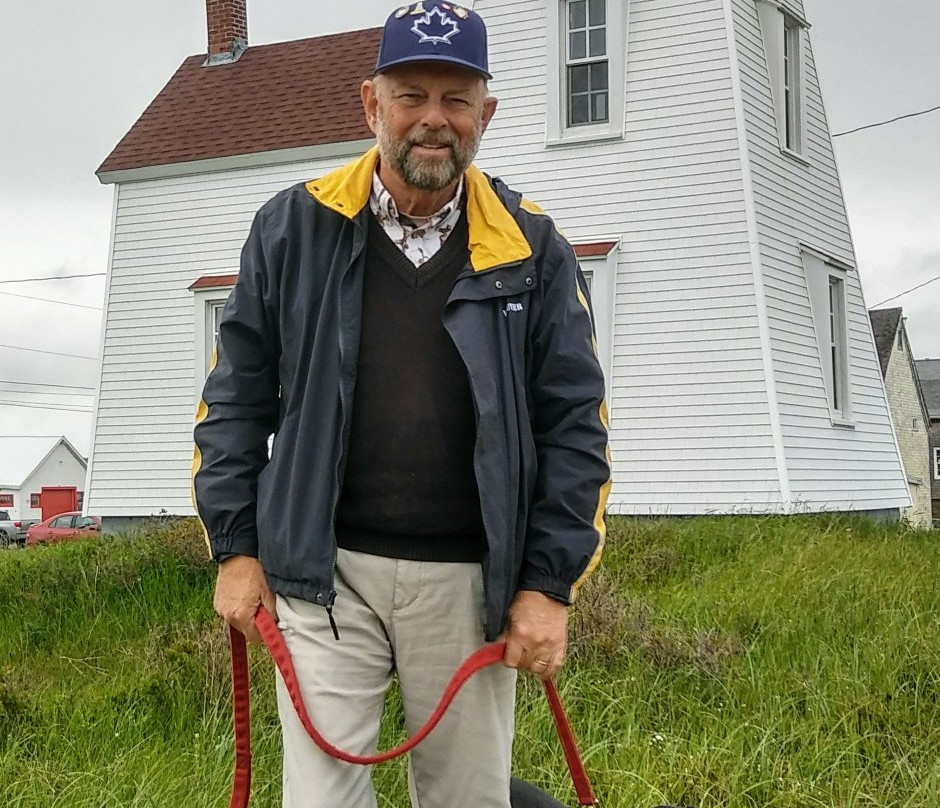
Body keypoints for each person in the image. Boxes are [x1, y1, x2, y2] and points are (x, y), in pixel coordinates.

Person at [193, 2, 611, 806]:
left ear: (484, 115)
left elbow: (577, 430)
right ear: (369, 104)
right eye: (411, 95)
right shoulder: (292, 228)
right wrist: (237, 551)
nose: (433, 120)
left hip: (471, 586)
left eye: (456, 101)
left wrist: (547, 588)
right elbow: (234, 403)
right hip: (323, 576)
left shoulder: (534, 246)